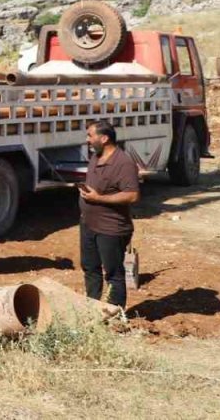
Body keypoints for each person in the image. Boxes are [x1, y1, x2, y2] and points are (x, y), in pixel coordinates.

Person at [78, 120, 141, 308]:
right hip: (89, 225)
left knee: (113, 274)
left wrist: (99, 199)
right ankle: (93, 310)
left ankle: (115, 316)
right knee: (90, 268)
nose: (87, 140)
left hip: (111, 229)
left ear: (104, 138)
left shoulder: (123, 162)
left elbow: (132, 195)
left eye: (90, 135)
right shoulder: (95, 158)